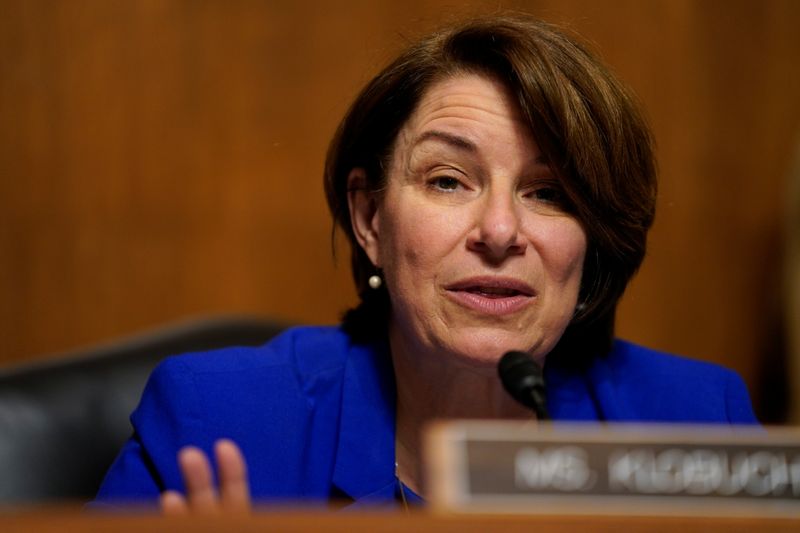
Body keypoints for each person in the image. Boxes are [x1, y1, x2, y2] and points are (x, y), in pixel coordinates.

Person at [93, 14, 757, 512]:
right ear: (370, 218)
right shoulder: (220, 425)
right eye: (448, 180)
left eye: (548, 193)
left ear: (593, 241)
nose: (499, 230)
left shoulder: (697, 424)